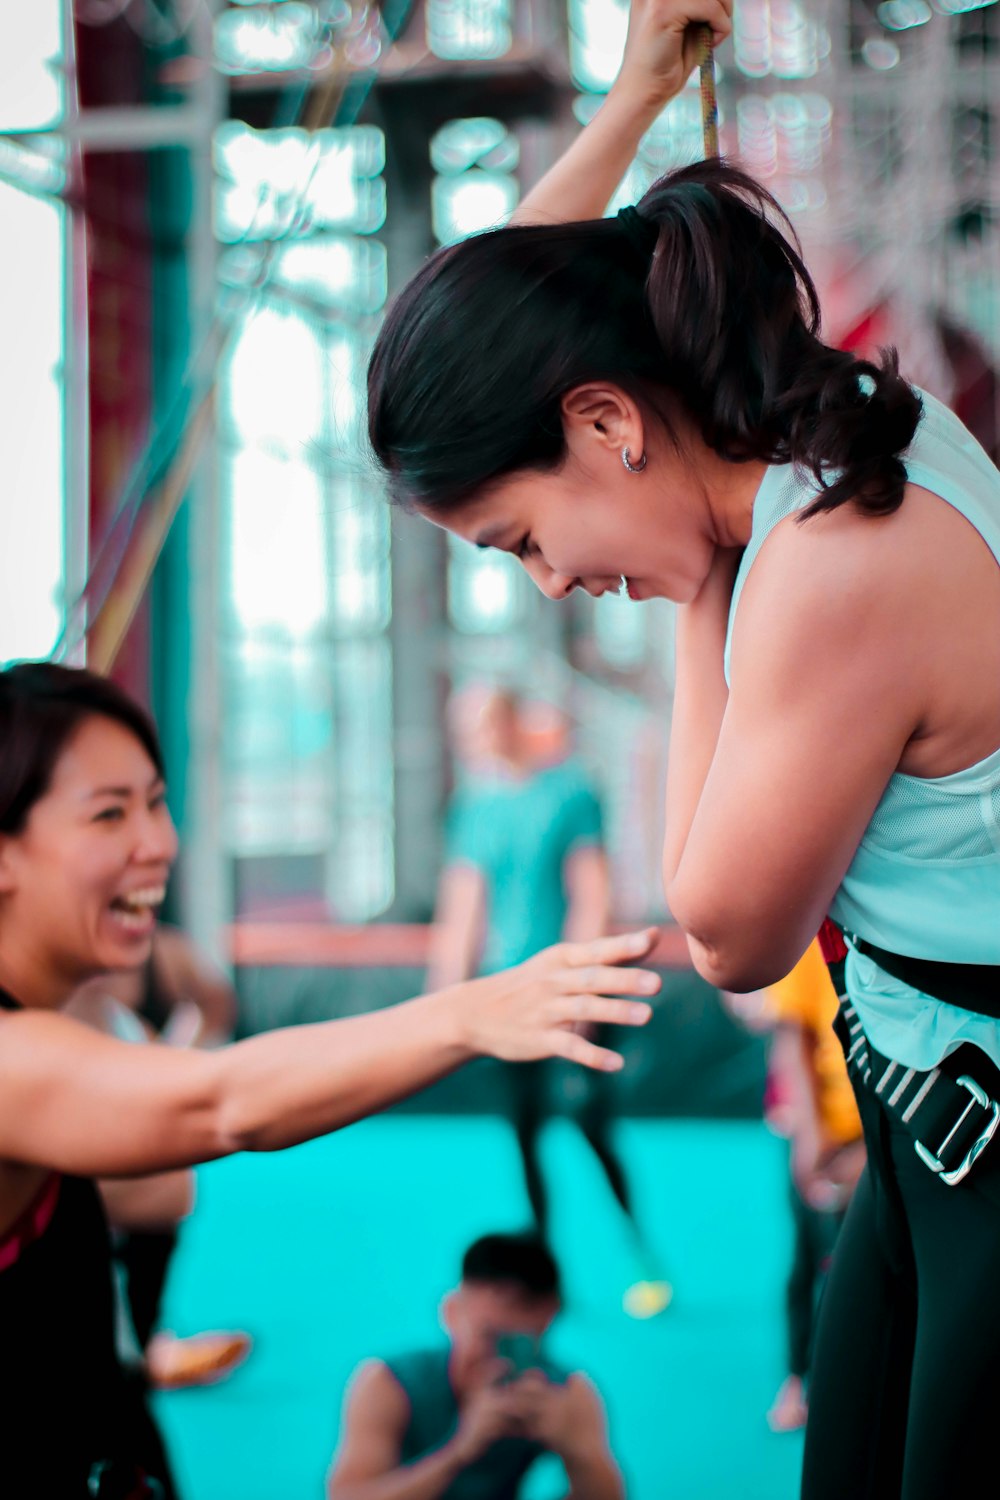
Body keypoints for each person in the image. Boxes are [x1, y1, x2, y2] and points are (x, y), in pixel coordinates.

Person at [364, 0, 1000, 1492]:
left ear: (606, 422)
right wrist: (640, 87)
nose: (549, 581)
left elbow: (720, 929)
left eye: (524, 539)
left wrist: (693, 585)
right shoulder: (798, 424)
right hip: (926, 1126)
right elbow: (510, 303)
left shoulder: (833, 555)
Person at [0, 662, 658, 1498]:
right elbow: (222, 1103)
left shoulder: (70, 1015)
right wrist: (464, 1011)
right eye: (109, 814)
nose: (158, 842)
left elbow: (162, 1179)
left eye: (156, 803)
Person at [429, 687, 669, 1315]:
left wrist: (581, 993)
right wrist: (441, 1004)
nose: (468, 739)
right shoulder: (474, 806)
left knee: (591, 1128)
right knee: (525, 1136)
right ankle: (547, 1280)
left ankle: (640, 1254)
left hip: (567, 990)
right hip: (505, 997)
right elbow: (464, 908)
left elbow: (592, 893)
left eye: (476, 725)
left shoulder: (570, 792)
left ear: (509, 721)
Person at [327, 1233, 625, 1500]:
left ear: (547, 1321)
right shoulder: (388, 1384)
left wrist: (574, 1449)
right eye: (489, 1336)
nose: (499, 1359)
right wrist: (459, 1451)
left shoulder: (566, 1393)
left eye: (520, 1345)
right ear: (451, 1312)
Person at [763, 941, 864, 1433]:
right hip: (822, 1132)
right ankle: (798, 1376)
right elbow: (793, 1035)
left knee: (867, 1269)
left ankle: (855, 1378)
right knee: (807, 1259)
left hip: (883, 1139)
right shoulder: (814, 934)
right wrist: (811, 1135)